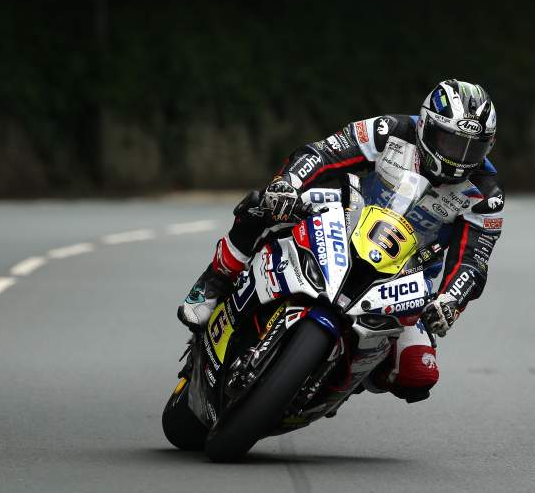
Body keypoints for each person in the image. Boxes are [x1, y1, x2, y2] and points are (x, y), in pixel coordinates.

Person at [177, 79, 504, 403]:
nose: (458, 158)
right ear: (427, 127)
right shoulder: (389, 130)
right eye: (450, 142)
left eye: (470, 149)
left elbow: (473, 261)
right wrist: (289, 183)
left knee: (418, 374)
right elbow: (325, 152)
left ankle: (344, 376)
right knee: (262, 205)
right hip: (348, 217)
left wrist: (450, 302)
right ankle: (215, 280)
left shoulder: (486, 196)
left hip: (408, 275)